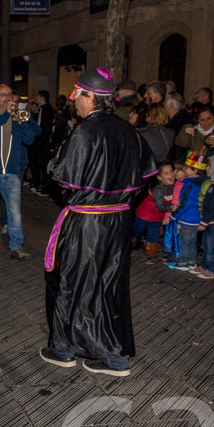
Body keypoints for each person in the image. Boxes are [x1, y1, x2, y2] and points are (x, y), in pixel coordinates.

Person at [42, 67, 156, 377]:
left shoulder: (85, 131)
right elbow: (148, 172)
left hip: (87, 221)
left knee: (69, 281)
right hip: (119, 221)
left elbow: (61, 176)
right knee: (109, 283)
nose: (74, 101)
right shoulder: (129, 130)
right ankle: (114, 356)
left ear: (90, 97)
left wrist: (57, 157)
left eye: (77, 95)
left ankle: (64, 348)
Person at [0, 84, 38, 259]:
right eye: (3, 95)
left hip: (12, 173)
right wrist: (5, 115)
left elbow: (30, 139)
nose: (7, 98)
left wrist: (23, 123)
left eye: (9, 95)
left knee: (15, 212)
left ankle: (16, 246)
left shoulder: (16, 116)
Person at [168, 153, 206, 270]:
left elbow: (185, 203)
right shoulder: (201, 183)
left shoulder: (190, 185)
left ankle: (184, 262)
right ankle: (192, 261)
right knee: (191, 241)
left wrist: (175, 215)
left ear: (194, 171)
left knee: (185, 241)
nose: (184, 170)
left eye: (187, 168)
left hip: (187, 218)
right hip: (196, 218)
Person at [131, 162, 175, 264]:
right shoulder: (158, 189)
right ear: (159, 178)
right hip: (143, 215)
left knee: (153, 237)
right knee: (134, 232)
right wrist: (171, 207)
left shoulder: (173, 187)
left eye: (172, 171)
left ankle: (150, 255)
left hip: (156, 218)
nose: (171, 174)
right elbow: (160, 206)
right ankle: (125, 248)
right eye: (166, 173)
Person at [28, 90, 55, 194]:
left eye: (38, 97)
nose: (37, 99)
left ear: (42, 98)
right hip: (41, 140)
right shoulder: (43, 109)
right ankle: (42, 183)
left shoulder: (46, 110)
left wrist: (40, 141)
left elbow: (45, 127)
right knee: (41, 163)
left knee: (43, 163)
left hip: (42, 141)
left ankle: (45, 186)